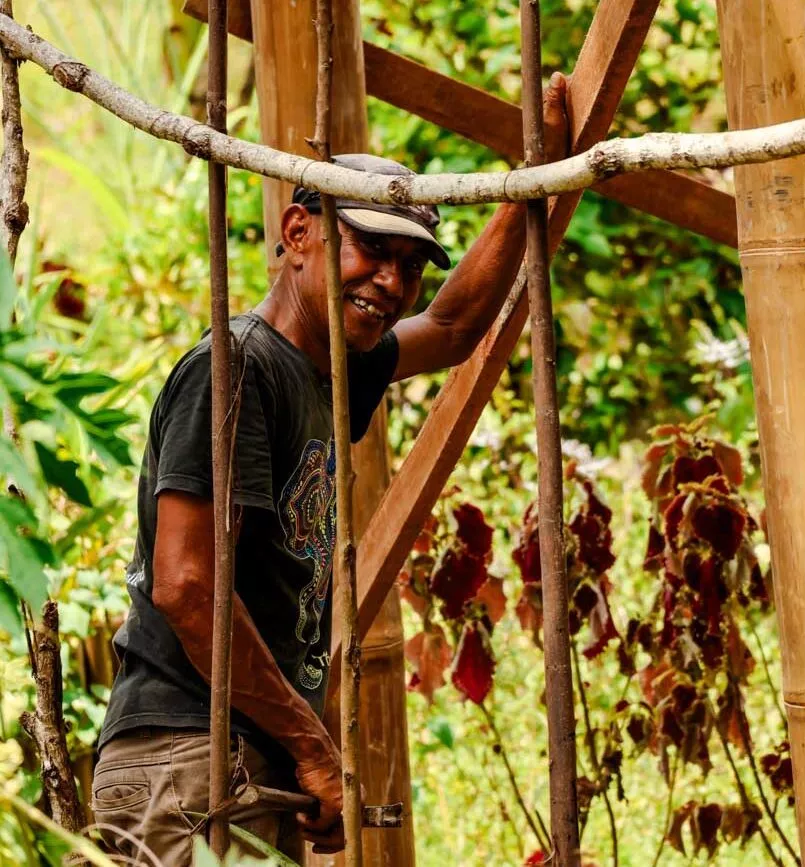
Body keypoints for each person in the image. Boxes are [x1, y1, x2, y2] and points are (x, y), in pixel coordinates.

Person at [91, 74, 569, 865]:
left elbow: (451, 325)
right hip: (188, 760)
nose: (390, 281)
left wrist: (535, 177)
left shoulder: (330, 373)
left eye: (409, 264)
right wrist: (314, 747)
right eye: (371, 248)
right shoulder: (237, 369)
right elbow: (184, 583)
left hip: (244, 759)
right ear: (300, 232)